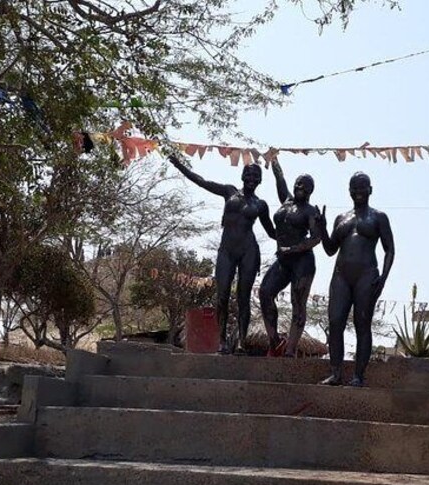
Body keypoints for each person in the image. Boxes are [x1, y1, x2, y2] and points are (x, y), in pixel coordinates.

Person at [168, 154, 276, 354]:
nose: (251, 178)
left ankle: (242, 341)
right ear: (243, 176)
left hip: (248, 251)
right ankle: (222, 341)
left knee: (243, 297)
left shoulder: (261, 205)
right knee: (222, 296)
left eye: (256, 176)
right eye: (248, 174)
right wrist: (179, 166)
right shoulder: (229, 192)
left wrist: (297, 237)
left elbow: (272, 232)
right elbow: (201, 182)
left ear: (260, 180)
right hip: (226, 250)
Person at [318, 172, 395, 386]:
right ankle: (336, 372)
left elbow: (390, 250)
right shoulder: (341, 218)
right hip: (341, 276)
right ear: (349, 191)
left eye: (362, 187)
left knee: (362, 324)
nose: (358, 191)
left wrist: (384, 278)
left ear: (370, 189)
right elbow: (330, 250)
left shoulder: (378, 217)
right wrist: (323, 229)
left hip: (366, 275)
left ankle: (358, 376)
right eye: (354, 187)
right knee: (335, 322)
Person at [258, 157, 321, 357]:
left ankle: (291, 349)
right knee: (265, 292)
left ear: (311, 190)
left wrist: (293, 249)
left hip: (302, 261)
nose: (299, 186)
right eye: (297, 183)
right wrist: (274, 160)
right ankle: (274, 340)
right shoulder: (286, 200)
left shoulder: (310, 211)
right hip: (283, 261)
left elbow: (316, 238)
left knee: (298, 303)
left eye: (304, 185)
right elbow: (280, 179)